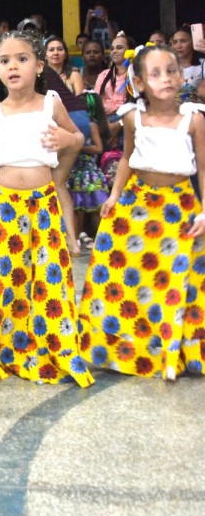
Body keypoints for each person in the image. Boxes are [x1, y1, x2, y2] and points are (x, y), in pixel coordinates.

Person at [0, 30, 91, 386]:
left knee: (47, 277)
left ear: (38, 65)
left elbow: (78, 139)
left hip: (44, 203)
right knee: (1, 277)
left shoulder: (51, 103)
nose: (13, 66)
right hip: (5, 206)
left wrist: (68, 138)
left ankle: (51, 346)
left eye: (21, 59)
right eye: (4, 61)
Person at [77, 43, 205, 379]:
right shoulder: (133, 117)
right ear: (140, 83)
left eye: (172, 70)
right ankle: (130, 347)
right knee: (122, 271)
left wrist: (204, 210)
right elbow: (128, 161)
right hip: (138, 204)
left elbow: (203, 169)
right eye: (156, 73)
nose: (166, 78)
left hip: (179, 206)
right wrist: (114, 196)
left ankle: (176, 351)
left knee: (174, 279)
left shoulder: (193, 119)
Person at [67, 92, 109, 250]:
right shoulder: (74, 124)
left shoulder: (91, 125)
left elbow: (98, 148)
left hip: (89, 173)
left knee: (96, 208)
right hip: (75, 171)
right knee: (76, 208)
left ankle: (101, 237)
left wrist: (79, 145)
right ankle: (75, 238)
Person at [94, 31, 133, 145]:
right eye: (112, 48)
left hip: (127, 121)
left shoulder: (136, 75)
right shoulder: (104, 75)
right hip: (104, 122)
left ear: (130, 51)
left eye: (119, 48)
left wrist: (119, 124)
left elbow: (139, 105)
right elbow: (96, 103)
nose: (114, 51)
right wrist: (106, 125)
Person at [170, 25, 205, 102]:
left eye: (183, 41)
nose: (178, 46)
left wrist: (183, 84)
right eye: (175, 42)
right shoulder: (167, 67)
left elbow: (201, 96)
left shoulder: (202, 64)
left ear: (193, 42)